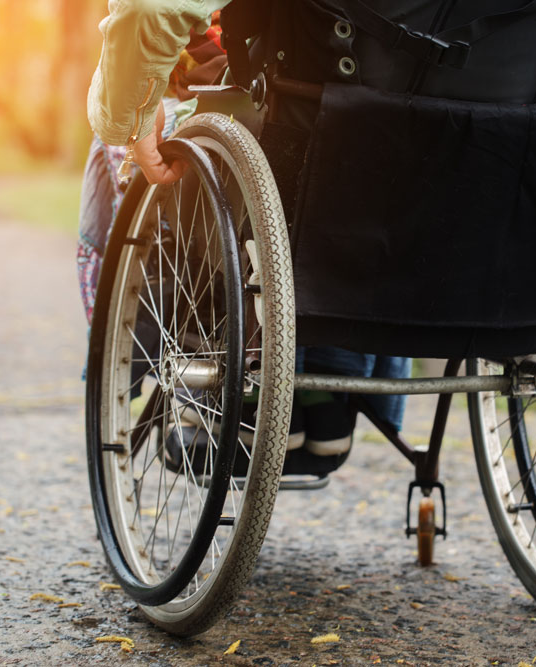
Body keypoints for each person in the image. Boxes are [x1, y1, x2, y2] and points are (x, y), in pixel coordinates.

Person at [81, 0, 411, 457]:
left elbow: (151, 8)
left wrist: (134, 114)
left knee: (123, 146)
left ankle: (226, 376)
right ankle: (331, 381)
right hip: (428, 162)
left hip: (284, 130)